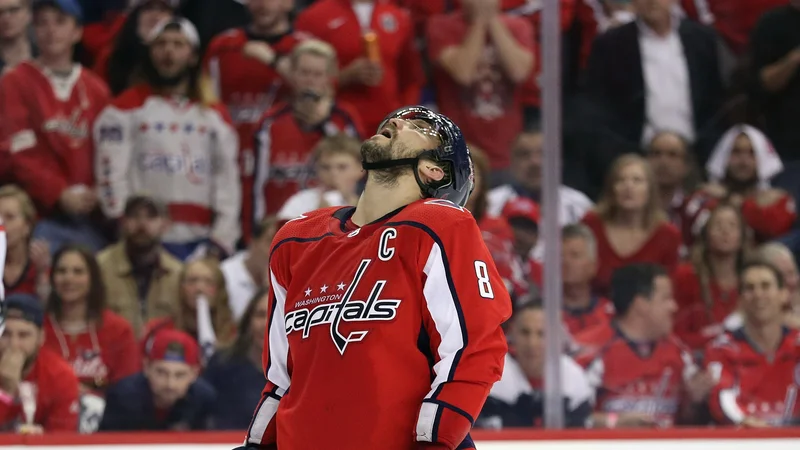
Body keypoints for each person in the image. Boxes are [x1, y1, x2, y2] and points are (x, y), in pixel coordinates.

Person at [238, 106, 512, 450]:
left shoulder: (439, 226)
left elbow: (475, 349)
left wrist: (436, 441)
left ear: (433, 169)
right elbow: (280, 378)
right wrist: (257, 444)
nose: (395, 120)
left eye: (420, 127)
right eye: (396, 119)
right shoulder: (296, 239)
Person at [94, 17, 241, 261]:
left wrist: (221, 241)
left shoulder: (214, 116)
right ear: (149, 53)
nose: (168, 51)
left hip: (200, 245)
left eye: (178, 44)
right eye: (161, 44)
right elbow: (111, 175)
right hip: (141, 243)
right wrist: (125, 226)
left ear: (193, 56)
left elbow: (228, 184)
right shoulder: (123, 110)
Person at [0, 0, 111, 254]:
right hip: (37, 215)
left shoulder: (96, 89)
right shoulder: (16, 81)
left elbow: (107, 152)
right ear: (33, 30)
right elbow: (17, 152)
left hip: (89, 217)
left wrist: (97, 192)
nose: (51, 31)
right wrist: (58, 193)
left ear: (77, 31)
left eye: (60, 22)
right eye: (42, 23)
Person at [203, 0, 302, 243]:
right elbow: (205, 100)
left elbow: (315, 90)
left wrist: (274, 62)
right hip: (228, 158)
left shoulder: (302, 46)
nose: (263, 4)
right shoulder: (224, 46)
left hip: (280, 163)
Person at [574, 264, 713, 428]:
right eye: (666, 298)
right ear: (641, 305)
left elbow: (690, 423)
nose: (674, 306)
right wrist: (615, 422)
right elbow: (572, 418)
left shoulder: (679, 351)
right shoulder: (590, 349)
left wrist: (694, 402)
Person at [252, 39, 364, 219]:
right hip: (279, 224)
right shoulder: (270, 122)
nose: (310, 80)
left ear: (330, 77)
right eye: (304, 73)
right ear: (293, 74)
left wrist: (324, 122)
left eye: (318, 74)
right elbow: (255, 185)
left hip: (336, 224)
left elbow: (359, 171)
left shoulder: (344, 118)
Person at [426, 0, 535, 175]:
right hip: (458, 151)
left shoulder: (519, 26)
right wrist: (479, 23)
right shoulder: (442, 26)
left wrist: (492, 21)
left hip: (507, 152)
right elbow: (464, 73)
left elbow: (519, 71)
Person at [294, 0, 424, 133]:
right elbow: (300, 77)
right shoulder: (315, 16)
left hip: (388, 126)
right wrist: (345, 76)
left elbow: (411, 79)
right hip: (336, 124)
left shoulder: (399, 17)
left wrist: (406, 117)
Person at [705, 260, 800, 426]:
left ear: (784, 294)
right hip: (747, 438)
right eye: (750, 288)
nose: (758, 294)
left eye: (765, 286)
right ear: (740, 299)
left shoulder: (797, 345)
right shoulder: (722, 349)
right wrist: (744, 421)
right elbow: (721, 397)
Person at [477, 299, 593, 429]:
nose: (532, 344)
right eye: (525, 333)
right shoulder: (491, 375)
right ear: (512, 333)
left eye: (541, 334)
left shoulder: (572, 377)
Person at [42, 245, 141, 393]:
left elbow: (128, 389)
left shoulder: (118, 329)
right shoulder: (38, 328)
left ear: (92, 278)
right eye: (61, 271)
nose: (69, 278)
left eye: (78, 271)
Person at [582, 154, 681, 296]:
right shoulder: (591, 224)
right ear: (611, 189)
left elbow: (669, 290)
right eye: (620, 180)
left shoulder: (668, 235)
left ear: (650, 190)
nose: (628, 187)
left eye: (637, 181)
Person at [684, 125, 796, 243]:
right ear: (723, 156)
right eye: (736, 152)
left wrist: (732, 199)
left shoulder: (778, 199)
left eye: (751, 153)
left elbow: (775, 228)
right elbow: (692, 230)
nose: (744, 161)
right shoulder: (703, 195)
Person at [96, 195, 183, 338]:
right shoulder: (99, 267)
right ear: (123, 222)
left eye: (151, 217)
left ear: (165, 224)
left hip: (161, 356)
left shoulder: (177, 273)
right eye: (134, 216)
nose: (142, 224)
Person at [100, 328, 216, 431]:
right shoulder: (122, 397)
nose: (170, 384)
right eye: (161, 372)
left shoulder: (204, 399)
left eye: (180, 375)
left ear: (194, 374)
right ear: (146, 367)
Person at [672, 203, 748, 352]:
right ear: (706, 234)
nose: (725, 231)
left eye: (732, 225)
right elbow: (675, 335)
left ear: (742, 236)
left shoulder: (752, 280)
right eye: (718, 225)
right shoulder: (685, 277)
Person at [0, 294, 80, 433]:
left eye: (23, 335)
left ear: (41, 337)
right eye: (5, 334)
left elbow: (62, 439)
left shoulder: (60, 375)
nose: (14, 345)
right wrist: (5, 392)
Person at [143, 258, 236, 362]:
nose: (199, 288)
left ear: (220, 290)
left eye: (209, 282)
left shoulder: (235, 335)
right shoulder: (158, 330)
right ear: (181, 288)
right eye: (192, 281)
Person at [204, 290, 269, 430]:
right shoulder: (222, 362)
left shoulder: (300, 370)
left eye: (275, 316)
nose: (266, 324)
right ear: (248, 320)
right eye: (260, 315)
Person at [94, 0, 178, 95]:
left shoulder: (184, 57)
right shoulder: (112, 55)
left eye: (163, 10)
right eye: (148, 8)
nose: (155, 16)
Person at [276, 134, 365, 221]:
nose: (333, 174)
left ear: (360, 169)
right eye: (325, 167)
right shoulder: (300, 202)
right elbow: (282, 234)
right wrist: (319, 217)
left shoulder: (368, 205)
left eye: (342, 167)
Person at [561, 223, 614, 337]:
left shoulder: (612, 315)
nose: (565, 262)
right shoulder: (540, 316)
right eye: (560, 255)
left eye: (575, 255)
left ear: (593, 265)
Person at [220, 217, 278, 321]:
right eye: (270, 241)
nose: (276, 250)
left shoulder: (289, 280)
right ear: (253, 243)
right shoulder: (225, 274)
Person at [0, 186, 50, 299]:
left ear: (27, 225)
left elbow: (49, 310)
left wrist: (41, 275)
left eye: (10, 217)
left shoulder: (39, 265)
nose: (1, 224)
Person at [0, 0, 33, 73]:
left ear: (29, 13)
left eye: (13, 10)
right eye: (0, 12)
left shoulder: (45, 54)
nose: (6, 18)